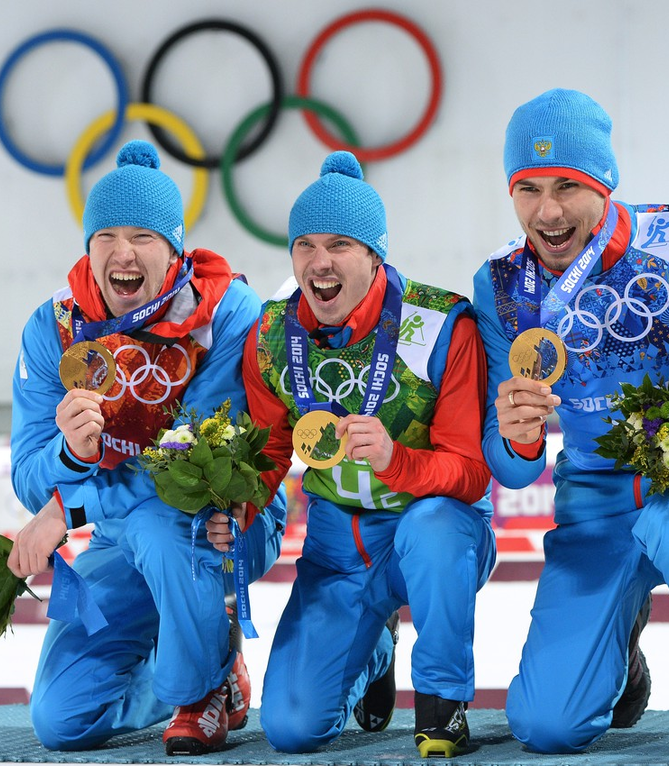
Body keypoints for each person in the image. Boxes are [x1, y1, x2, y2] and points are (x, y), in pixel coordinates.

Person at [473, 88, 669, 755]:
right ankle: (620, 655)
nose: (546, 213)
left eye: (568, 187)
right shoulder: (499, 286)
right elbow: (511, 464)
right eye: (527, 188)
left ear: (605, 184)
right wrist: (517, 433)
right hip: (595, 507)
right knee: (545, 729)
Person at [8, 140, 287, 756]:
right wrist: (71, 457)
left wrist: (67, 509)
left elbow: (191, 463)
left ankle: (205, 686)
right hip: (118, 529)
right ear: (88, 246)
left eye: (143, 236)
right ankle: (182, 665)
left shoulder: (226, 312)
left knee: (167, 530)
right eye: (105, 235)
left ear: (175, 248)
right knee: (62, 722)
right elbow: (28, 474)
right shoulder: (52, 329)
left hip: (222, 512)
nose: (122, 252)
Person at [222, 151, 495, 758]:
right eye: (305, 246)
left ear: (375, 256)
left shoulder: (440, 324)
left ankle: (442, 705)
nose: (319, 263)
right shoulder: (270, 334)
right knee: (293, 730)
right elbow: (267, 449)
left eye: (340, 245)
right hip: (337, 545)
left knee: (434, 529)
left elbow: (473, 474)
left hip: (433, 529)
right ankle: (375, 649)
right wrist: (235, 508)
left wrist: (397, 459)